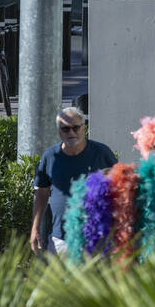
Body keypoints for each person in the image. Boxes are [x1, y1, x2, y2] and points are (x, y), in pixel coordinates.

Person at [30, 107, 118, 254]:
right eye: (65, 129)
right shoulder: (51, 156)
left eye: (76, 128)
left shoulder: (102, 153)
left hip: (97, 238)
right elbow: (42, 194)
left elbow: (120, 188)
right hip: (61, 240)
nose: (71, 133)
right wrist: (35, 227)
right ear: (59, 131)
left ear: (84, 128)